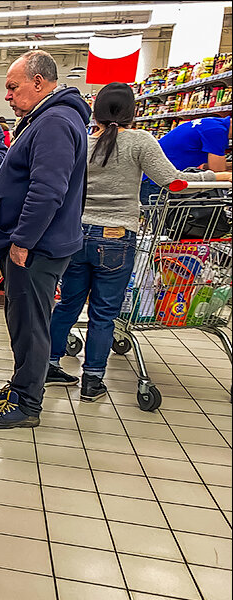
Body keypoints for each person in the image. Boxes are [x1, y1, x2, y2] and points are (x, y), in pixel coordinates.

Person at [48, 83, 231, 401]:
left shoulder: (83, 142)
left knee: (67, 304)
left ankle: (49, 365)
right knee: (104, 314)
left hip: (78, 235)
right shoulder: (140, 142)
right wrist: (218, 177)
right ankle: (92, 381)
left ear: (96, 112)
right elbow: (172, 181)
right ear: (133, 112)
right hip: (118, 239)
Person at [0, 49, 91, 429]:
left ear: (39, 83)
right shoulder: (47, 118)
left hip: (38, 246)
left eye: (12, 87)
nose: (7, 96)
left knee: (31, 324)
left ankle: (28, 404)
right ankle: (21, 384)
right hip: (39, 244)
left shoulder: (55, 122)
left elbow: (47, 190)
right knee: (24, 320)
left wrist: (22, 242)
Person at [140, 116, 232, 202]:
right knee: (160, 217)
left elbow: (205, 166)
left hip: (156, 177)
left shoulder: (214, 123)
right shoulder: (217, 131)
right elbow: (218, 171)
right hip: (158, 182)